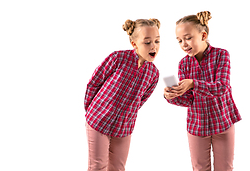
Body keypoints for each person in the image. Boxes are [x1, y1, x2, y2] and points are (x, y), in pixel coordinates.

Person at [164, 11, 241, 171]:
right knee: (199, 169)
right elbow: (189, 100)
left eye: (188, 38)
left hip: (223, 123)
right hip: (197, 126)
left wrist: (193, 83)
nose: (183, 44)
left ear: (203, 35)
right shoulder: (183, 64)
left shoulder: (221, 55)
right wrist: (172, 96)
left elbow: (222, 87)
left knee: (225, 168)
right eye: (179, 40)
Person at [85, 18, 160, 171]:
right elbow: (94, 83)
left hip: (124, 127)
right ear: (134, 44)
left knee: (118, 167)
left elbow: (141, 101)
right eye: (147, 42)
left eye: (157, 41)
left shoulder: (153, 74)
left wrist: (127, 115)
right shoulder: (118, 58)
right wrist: (91, 111)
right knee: (98, 166)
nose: (154, 46)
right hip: (98, 120)